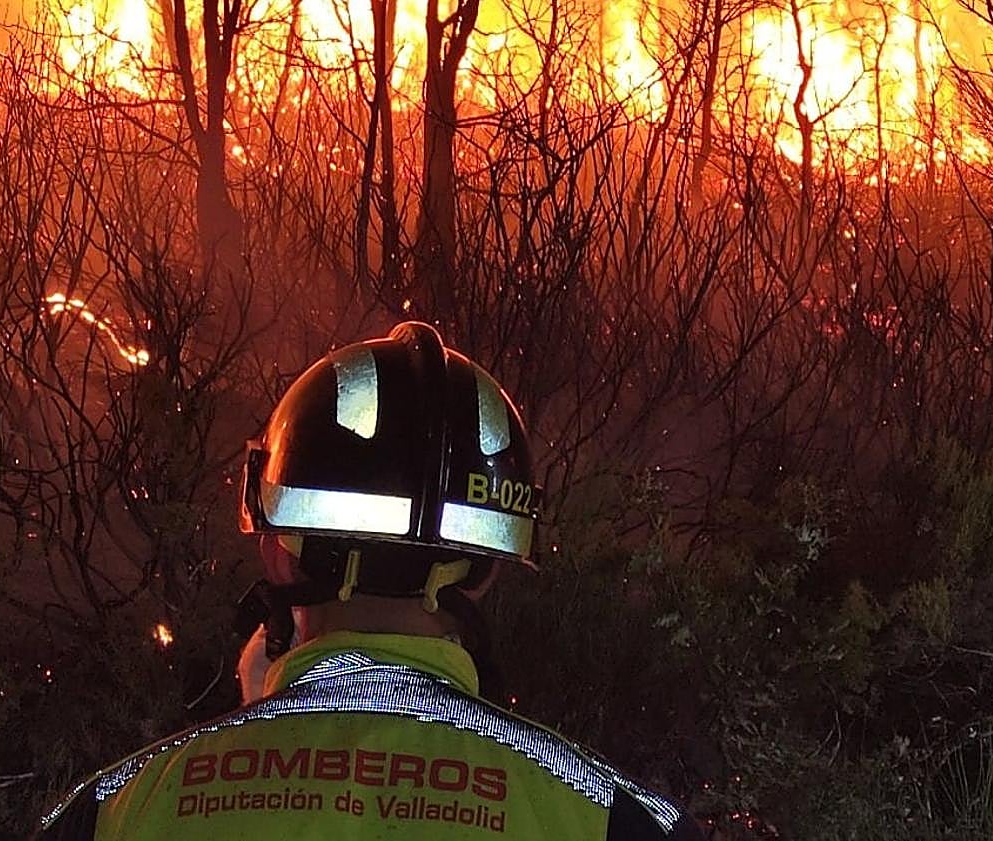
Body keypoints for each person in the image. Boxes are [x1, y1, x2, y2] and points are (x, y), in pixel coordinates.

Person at [38, 321, 705, 840]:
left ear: (278, 551)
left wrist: (257, 731)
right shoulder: (603, 816)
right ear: (489, 567)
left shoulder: (117, 810)